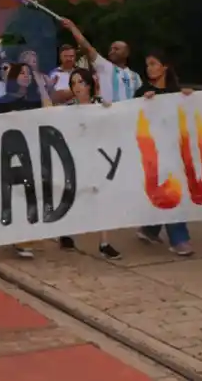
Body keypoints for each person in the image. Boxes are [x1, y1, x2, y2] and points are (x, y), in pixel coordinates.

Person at [134, 50, 195, 257]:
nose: (149, 68)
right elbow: (133, 118)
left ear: (165, 66)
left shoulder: (175, 92)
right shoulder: (142, 92)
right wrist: (143, 103)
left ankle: (150, 229)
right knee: (170, 192)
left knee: (170, 190)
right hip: (152, 153)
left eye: (153, 64)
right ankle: (179, 239)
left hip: (173, 151)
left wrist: (190, 100)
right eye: (147, 65)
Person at [0, 62, 51, 258]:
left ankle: (25, 237)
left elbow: (49, 113)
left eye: (28, 73)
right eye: (21, 73)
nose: (26, 76)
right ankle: (18, 238)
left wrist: (41, 85)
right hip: (11, 153)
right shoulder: (3, 102)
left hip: (32, 152)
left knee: (30, 194)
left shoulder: (35, 100)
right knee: (16, 195)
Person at [64, 67, 122, 260]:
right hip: (76, 158)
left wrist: (108, 111)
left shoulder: (100, 105)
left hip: (97, 157)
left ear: (89, 84)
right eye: (73, 83)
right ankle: (66, 232)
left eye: (81, 82)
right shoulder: (67, 109)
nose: (77, 86)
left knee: (101, 197)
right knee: (75, 196)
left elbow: (115, 124)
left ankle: (104, 243)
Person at [61, 19, 142, 104]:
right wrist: (73, 28)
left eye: (116, 49)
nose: (112, 51)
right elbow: (88, 48)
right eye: (110, 49)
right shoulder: (105, 66)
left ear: (126, 53)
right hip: (105, 111)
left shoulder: (135, 77)